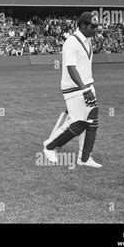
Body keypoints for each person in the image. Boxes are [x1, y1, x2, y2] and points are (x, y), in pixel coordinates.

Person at [42, 12, 102, 168]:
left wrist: (88, 87)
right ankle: (50, 147)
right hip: (76, 88)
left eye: (96, 26)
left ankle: (84, 158)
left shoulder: (87, 41)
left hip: (87, 86)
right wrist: (84, 89)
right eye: (92, 26)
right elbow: (70, 67)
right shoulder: (71, 42)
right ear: (82, 25)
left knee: (92, 122)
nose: (95, 29)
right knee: (80, 123)